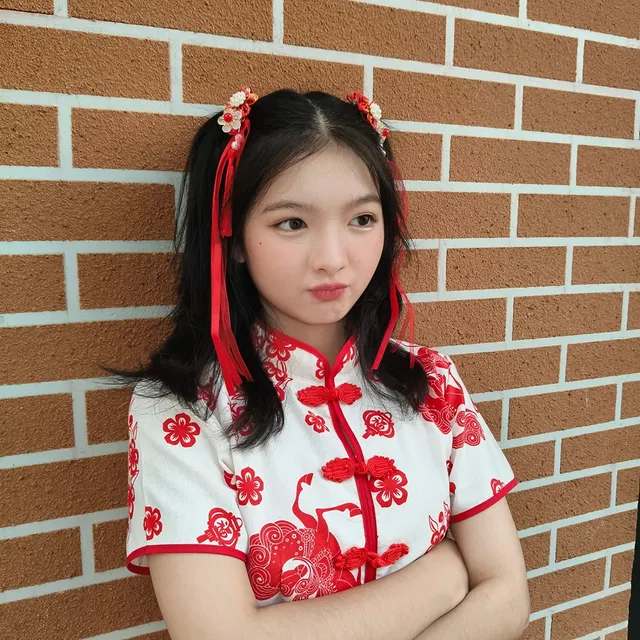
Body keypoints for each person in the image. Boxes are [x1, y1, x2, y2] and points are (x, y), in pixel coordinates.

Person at [108, 86, 530, 639]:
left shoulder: (432, 383)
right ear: (234, 236)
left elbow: (508, 596)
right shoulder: (183, 410)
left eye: (362, 218)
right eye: (292, 223)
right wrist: (444, 575)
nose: (333, 259)